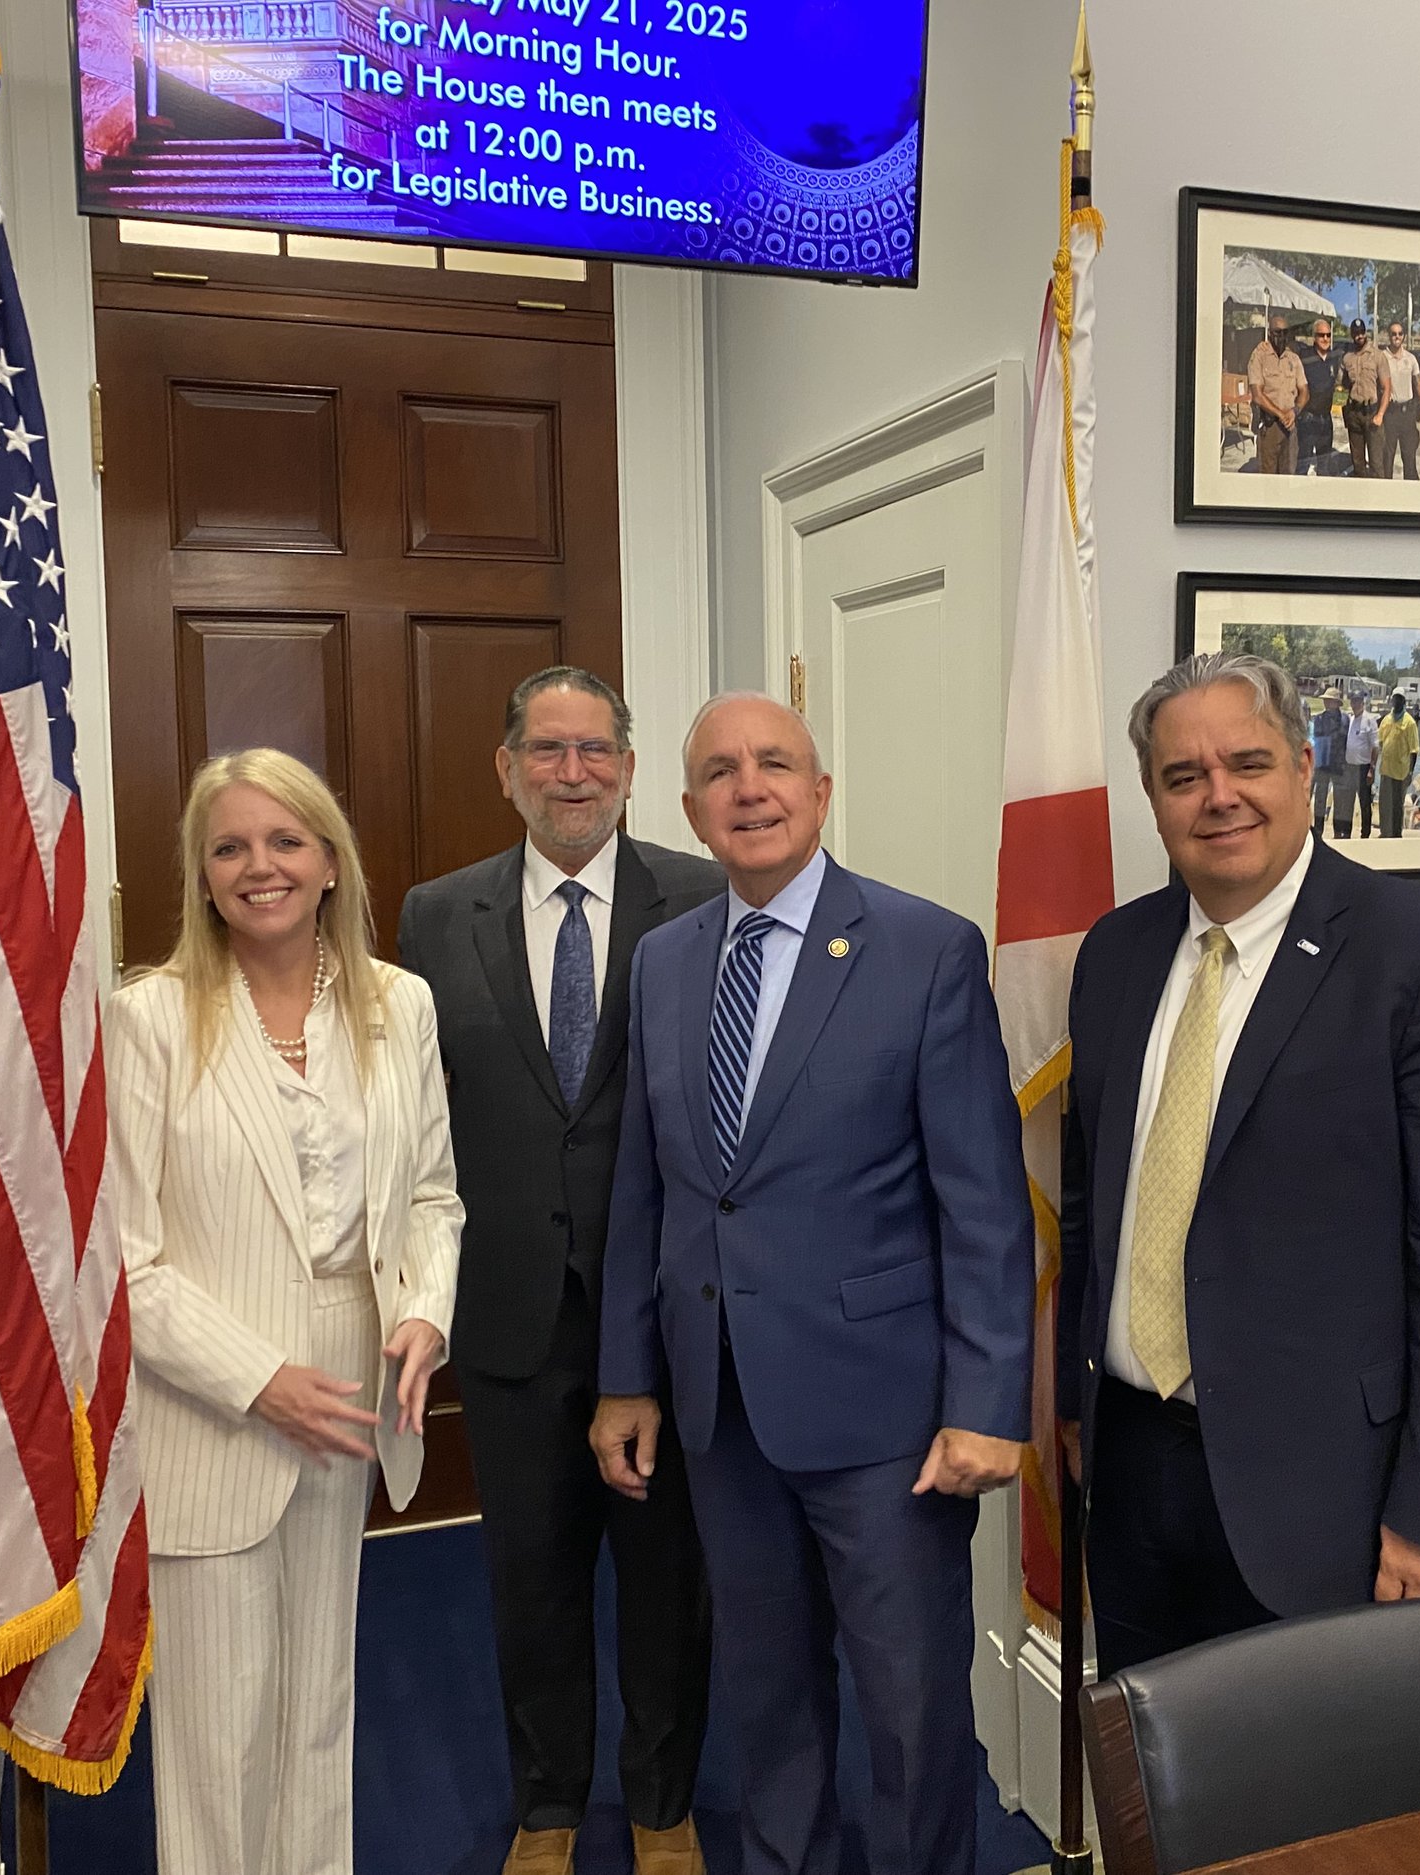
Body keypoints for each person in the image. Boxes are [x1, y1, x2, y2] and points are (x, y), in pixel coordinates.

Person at [590, 693, 1034, 1875]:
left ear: (821, 792)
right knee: (768, 1693)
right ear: (687, 811)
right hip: (718, 1408)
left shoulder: (925, 948)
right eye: (721, 773)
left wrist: (989, 1404)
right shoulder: (665, 961)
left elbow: (983, 1202)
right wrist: (627, 1377)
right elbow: (651, 1188)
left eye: (775, 764)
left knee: (908, 1707)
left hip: (885, 1416)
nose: (750, 788)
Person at [1053, 652, 1420, 1671]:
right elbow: (1088, 1205)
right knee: (1162, 1791)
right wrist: (1072, 1401)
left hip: (1341, 1494)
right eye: (1183, 776)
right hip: (1133, 1462)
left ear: (1307, 769)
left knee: (1334, 1817)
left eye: (1247, 763)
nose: (1218, 796)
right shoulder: (1114, 953)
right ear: (1151, 798)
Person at [109, 749, 464, 1875]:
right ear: (202, 878)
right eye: (230, 848)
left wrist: (424, 1315)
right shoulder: (148, 1020)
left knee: (318, 1707)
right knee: (220, 1740)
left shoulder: (397, 1002)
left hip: (357, 1393)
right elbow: (124, 1261)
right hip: (216, 1407)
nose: (259, 866)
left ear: (328, 863)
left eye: (284, 842)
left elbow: (430, 1195)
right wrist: (261, 1380)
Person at [397, 668, 720, 1875]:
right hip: (511, 1312)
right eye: (547, 751)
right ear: (507, 768)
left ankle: (661, 1802)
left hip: (667, 1313)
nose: (571, 773)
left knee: (665, 1581)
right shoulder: (437, 916)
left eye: (595, 751)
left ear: (631, 770)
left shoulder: (701, 899)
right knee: (527, 1574)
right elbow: (419, 1116)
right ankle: (545, 1807)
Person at [1246, 318, 1309, 475]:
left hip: (1290, 426)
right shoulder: (1259, 356)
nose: (1281, 337)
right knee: (1269, 480)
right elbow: (1257, 395)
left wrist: (1294, 411)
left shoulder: (1293, 359)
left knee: (1288, 476)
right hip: (1270, 427)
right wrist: (1281, 414)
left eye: (1285, 333)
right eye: (1277, 332)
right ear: (1269, 333)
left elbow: (1305, 391)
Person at [1374, 320, 1420, 479]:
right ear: (1388, 335)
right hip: (1389, 414)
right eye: (1393, 334)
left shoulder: (1410, 359)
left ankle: (1410, 496)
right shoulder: (1382, 357)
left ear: (1403, 336)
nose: (1396, 337)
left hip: (1407, 415)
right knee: (1387, 458)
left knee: (1409, 458)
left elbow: (1419, 383)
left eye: (1399, 334)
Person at [1339, 319, 1386, 478]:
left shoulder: (1378, 356)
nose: (1359, 336)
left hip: (1372, 413)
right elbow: (1343, 382)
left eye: (1362, 332)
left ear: (1366, 332)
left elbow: (1387, 388)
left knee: (1376, 464)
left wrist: (1380, 414)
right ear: (1352, 334)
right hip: (1354, 413)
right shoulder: (1347, 358)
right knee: (1357, 463)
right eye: (1356, 333)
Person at [1297, 318, 1342, 474]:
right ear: (1314, 337)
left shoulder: (1334, 357)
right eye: (1321, 335)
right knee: (1303, 463)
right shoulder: (1304, 357)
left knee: (1324, 465)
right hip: (1308, 420)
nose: (1325, 339)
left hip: (1326, 420)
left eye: (1328, 335)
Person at [1378, 690, 1420, 838]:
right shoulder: (1386, 719)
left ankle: (1396, 835)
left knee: (1397, 806)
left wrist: (1410, 773)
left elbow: (1414, 751)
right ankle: (1384, 833)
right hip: (1385, 770)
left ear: (1404, 701)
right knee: (1384, 804)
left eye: (1399, 699)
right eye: (1395, 698)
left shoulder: (1410, 723)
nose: (1396, 701)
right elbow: (1380, 741)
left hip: (1401, 772)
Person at [1309, 688, 1347, 834]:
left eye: (1329, 700)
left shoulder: (1345, 719)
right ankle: (1318, 831)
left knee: (1338, 800)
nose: (1325, 702)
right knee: (1320, 799)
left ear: (1336, 703)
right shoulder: (1318, 719)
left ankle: (1339, 831)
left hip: (1338, 765)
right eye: (1325, 700)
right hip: (1322, 765)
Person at [1344, 691, 1380, 836]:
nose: (1355, 704)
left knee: (1365, 803)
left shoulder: (1370, 720)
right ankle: (1347, 832)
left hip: (1364, 768)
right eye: (1353, 701)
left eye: (1358, 701)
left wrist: (1372, 769)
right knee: (1349, 802)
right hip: (1349, 767)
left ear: (1363, 703)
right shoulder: (1351, 719)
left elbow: (1376, 747)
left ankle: (1365, 833)